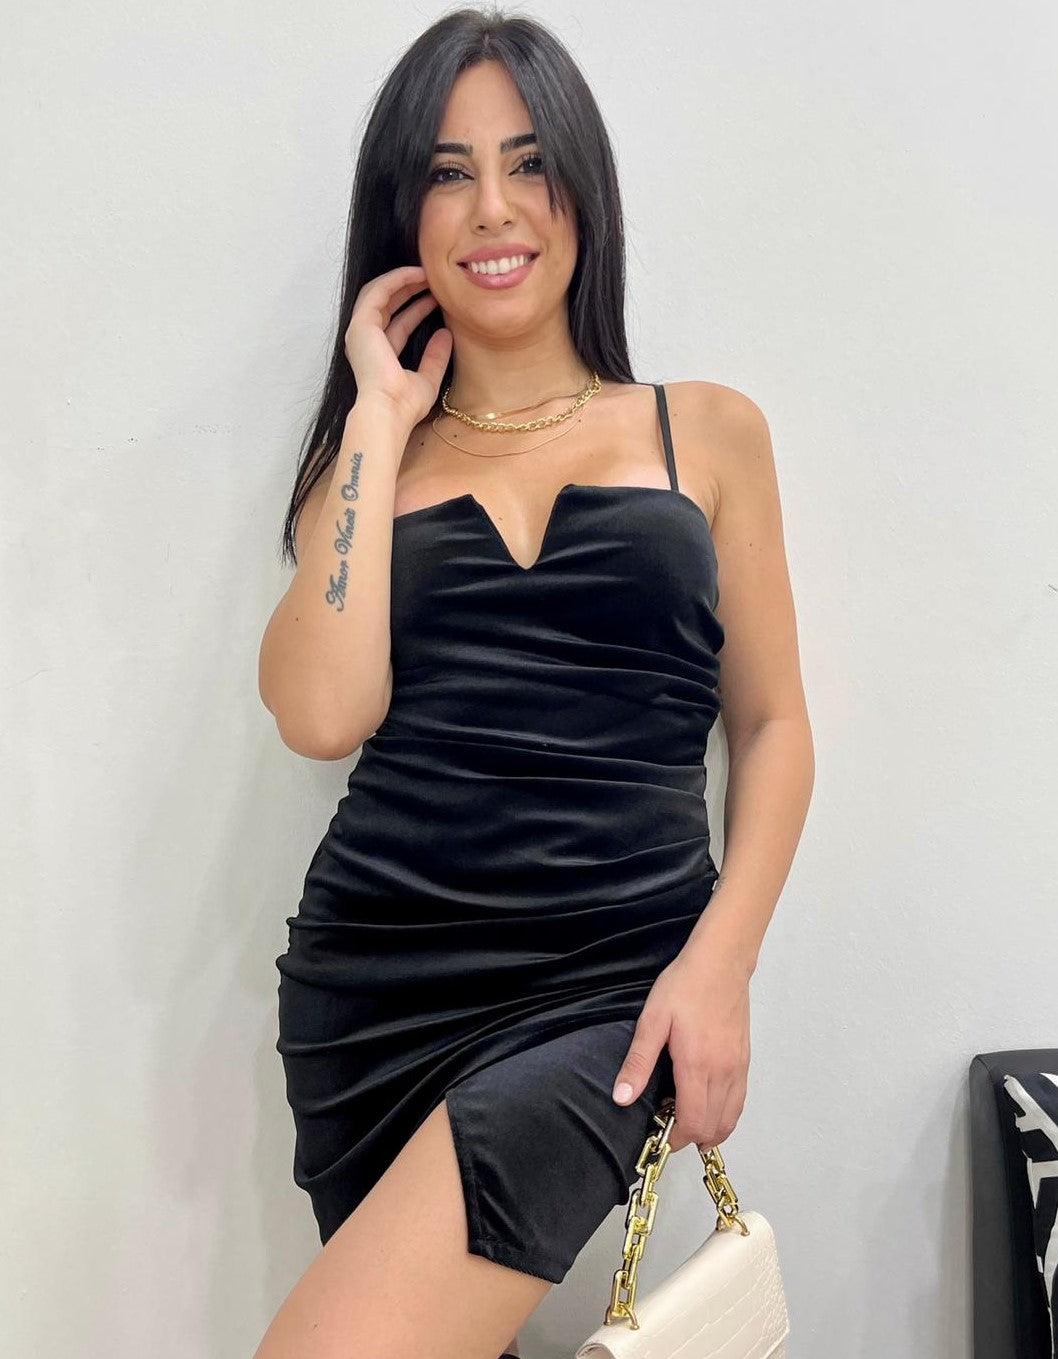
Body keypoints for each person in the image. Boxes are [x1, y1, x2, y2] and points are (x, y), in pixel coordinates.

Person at [253, 8, 814, 1358]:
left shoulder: (705, 431)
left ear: (582, 190)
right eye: (449, 173)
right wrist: (377, 417)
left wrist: (722, 965)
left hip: (616, 987)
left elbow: (774, 725)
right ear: (404, 214)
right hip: (378, 994)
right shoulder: (370, 467)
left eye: (528, 164)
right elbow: (321, 717)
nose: (493, 209)